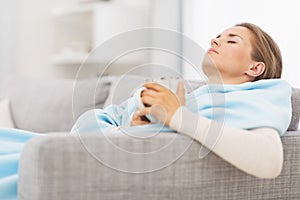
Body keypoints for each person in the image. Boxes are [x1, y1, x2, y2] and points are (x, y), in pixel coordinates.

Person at [0, 22, 291, 199]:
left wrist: (177, 117)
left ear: (256, 67)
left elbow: (269, 161)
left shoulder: (257, 100)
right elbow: (109, 124)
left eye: (231, 40)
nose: (215, 40)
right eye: (217, 36)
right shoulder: (194, 96)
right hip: (78, 147)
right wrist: (134, 127)